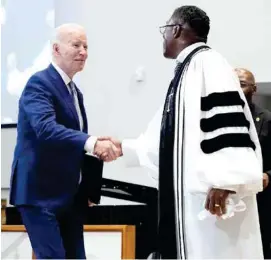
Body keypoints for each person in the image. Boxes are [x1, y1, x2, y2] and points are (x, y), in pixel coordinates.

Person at [97, 6, 264, 259]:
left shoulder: (209, 63)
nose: (163, 37)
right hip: (190, 205)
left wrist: (226, 181)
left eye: (165, 29)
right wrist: (125, 148)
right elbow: (167, 139)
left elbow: (229, 127)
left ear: (176, 30)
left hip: (211, 203)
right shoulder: (185, 71)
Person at [9, 23, 119, 259]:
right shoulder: (38, 84)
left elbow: (72, 143)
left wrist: (96, 146)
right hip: (39, 195)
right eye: (76, 45)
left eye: (86, 46)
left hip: (69, 197)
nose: (83, 52)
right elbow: (46, 130)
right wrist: (91, 142)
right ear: (56, 49)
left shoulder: (74, 92)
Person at [235, 68, 271, 259]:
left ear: (253, 89)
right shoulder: (217, 117)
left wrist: (268, 175)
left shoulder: (266, 119)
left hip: (260, 198)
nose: (236, 89)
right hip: (230, 197)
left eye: (241, 84)